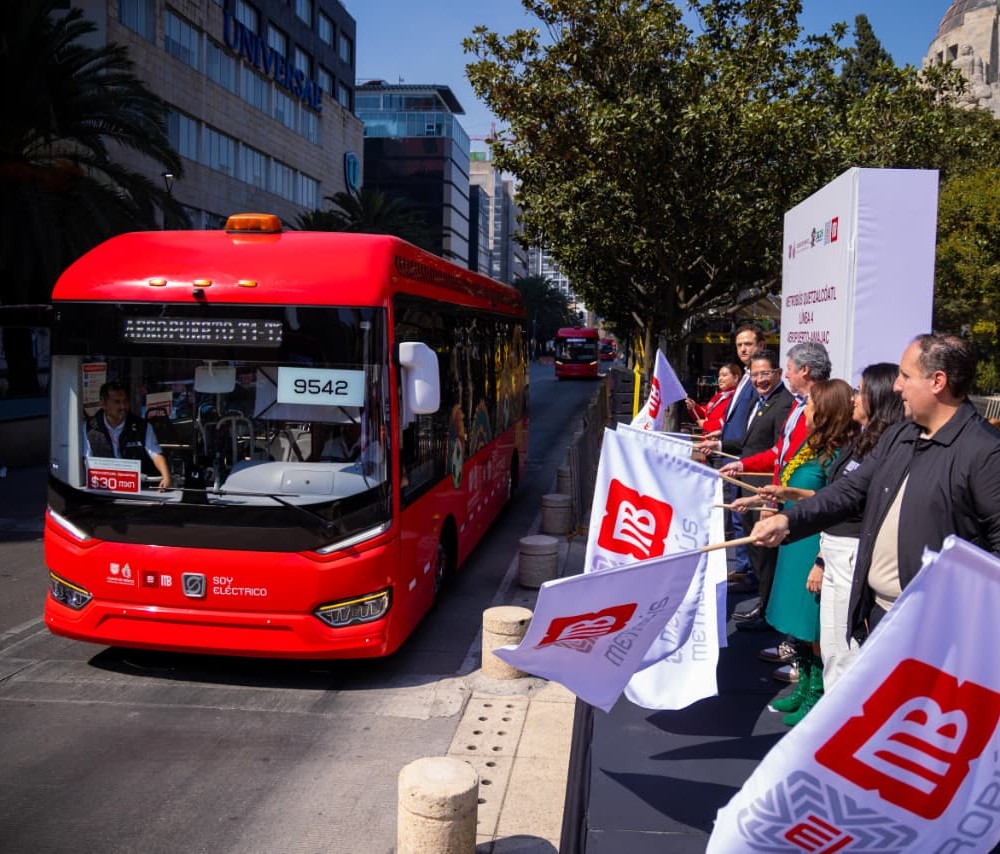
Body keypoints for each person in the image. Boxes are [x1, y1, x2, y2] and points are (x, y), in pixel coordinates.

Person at [751, 334, 1000, 650]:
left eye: (906, 376)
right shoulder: (899, 435)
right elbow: (849, 491)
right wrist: (789, 522)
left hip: (936, 628)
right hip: (878, 613)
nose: (897, 386)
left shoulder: (984, 451)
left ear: (938, 381)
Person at [749, 379, 857, 726]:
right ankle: (805, 688)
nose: (804, 409)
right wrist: (775, 495)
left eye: (810, 404)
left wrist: (821, 562)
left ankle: (817, 697)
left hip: (816, 545)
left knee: (814, 628)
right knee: (799, 625)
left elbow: (833, 501)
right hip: (797, 541)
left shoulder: (840, 453)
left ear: (826, 411)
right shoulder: (813, 445)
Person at [718, 341, 831, 615]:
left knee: (790, 573)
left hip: (800, 505)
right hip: (781, 497)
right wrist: (743, 465)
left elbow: (805, 465)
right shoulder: (798, 406)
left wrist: (770, 502)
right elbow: (779, 453)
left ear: (803, 370)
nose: (787, 375)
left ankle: (781, 627)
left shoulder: (820, 407)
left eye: (788, 370)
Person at [703, 350, 792, 614]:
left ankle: (767, 610)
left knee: (765, 556)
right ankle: (763, 603)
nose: (760, 379)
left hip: (762, 489)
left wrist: (769, 499)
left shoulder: (783, 403)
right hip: (745, 484)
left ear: (778, 373)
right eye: (755, 374)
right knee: (755, 549)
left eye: (765, 374)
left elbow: (780, 453)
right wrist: (718, 443)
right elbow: (746, 441)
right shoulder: (759, 400)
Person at [700, 324, 766, 587]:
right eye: (739, 345)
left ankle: (748, 572)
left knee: (745, 518)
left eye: (748, 344)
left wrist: (722, 442)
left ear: (760, 345)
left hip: (744, 458)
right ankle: (743, 568)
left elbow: (752, 424)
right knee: (739, 517)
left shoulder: (757, 380)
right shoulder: (746, 378)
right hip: (731, 451)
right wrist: (720, 432)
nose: (743, 349)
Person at [83, 380, 172, 491]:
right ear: (104, 404)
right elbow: (86, 459)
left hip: (138, 488)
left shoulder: (142, 427)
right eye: (117, 402)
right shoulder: (90, 427)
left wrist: (166, 476)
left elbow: (155, 454)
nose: (123, 406)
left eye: (125, 401)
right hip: (104, 490)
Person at [686, 362, 742, 435]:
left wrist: (706, 425)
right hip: (708, 440)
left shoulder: (736, 397)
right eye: (719, 376)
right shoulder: (719, 395)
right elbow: (705, 413)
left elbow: (726, 423)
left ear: (735, 378)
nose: (720, 379)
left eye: (724, 375)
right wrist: (694, 406)